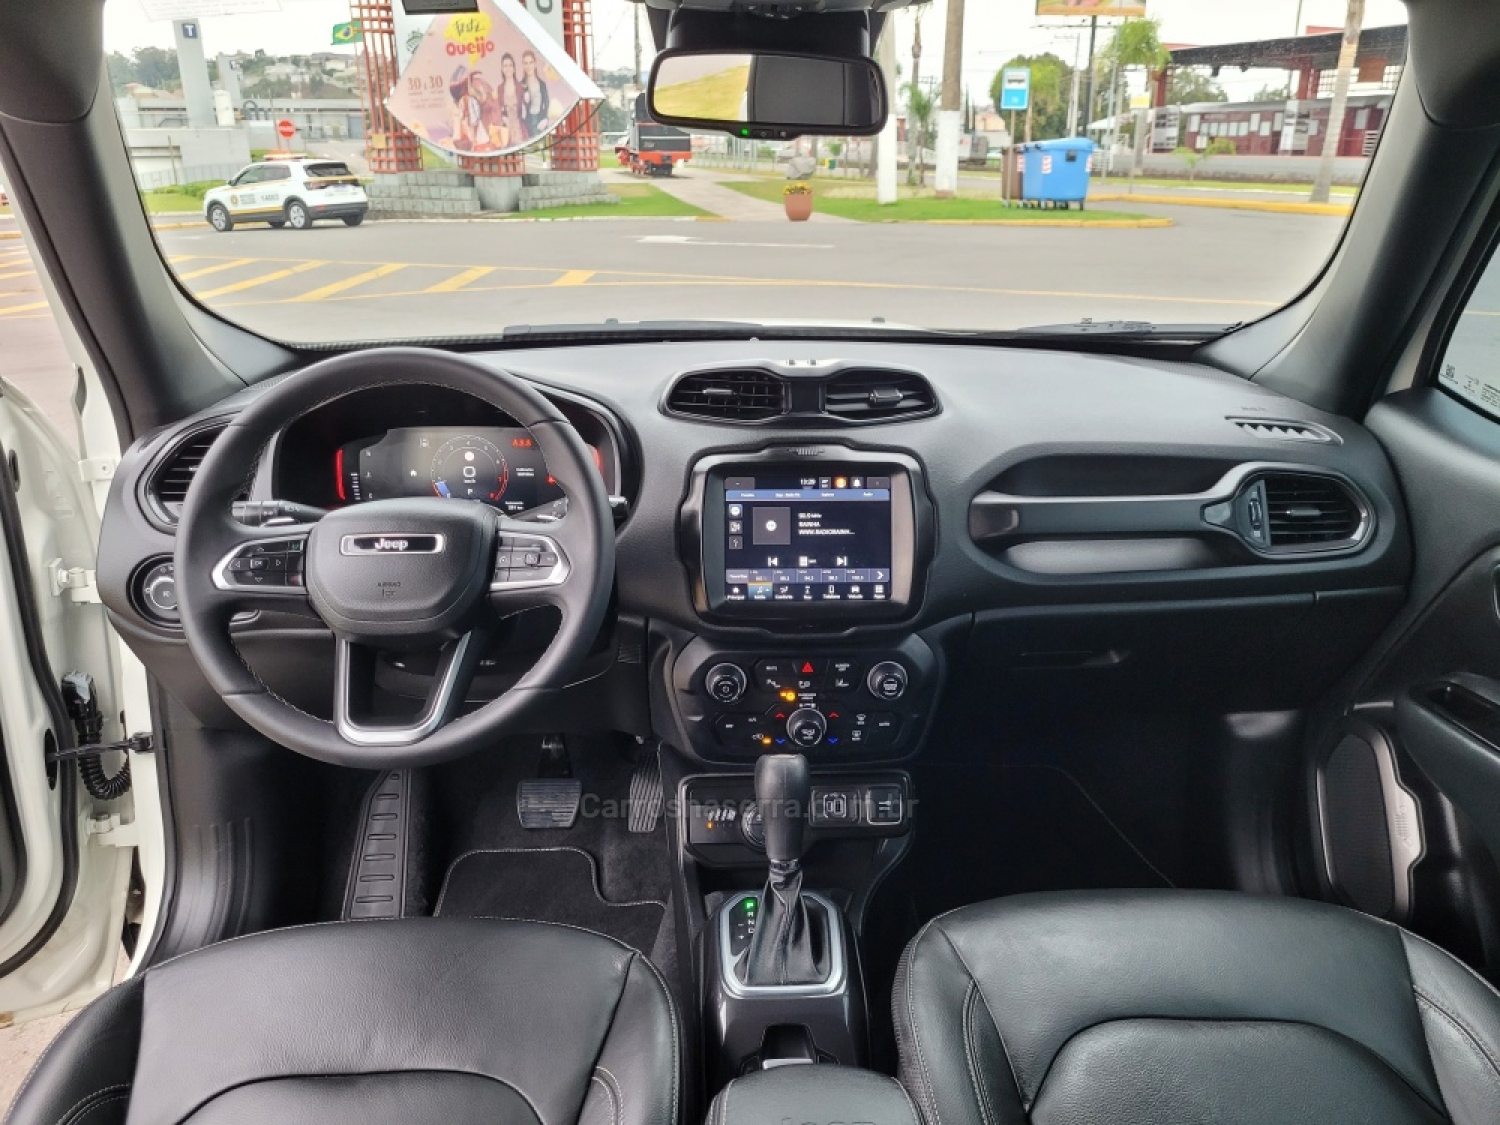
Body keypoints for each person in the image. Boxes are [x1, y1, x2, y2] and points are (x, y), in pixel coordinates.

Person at [498, 53, 529, 147]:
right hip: (506, 131)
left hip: (520, 130)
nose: (508, 68)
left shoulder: (521, 87)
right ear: (502, 69)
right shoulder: (500, 88)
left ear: (514, 68)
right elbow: (499, 110)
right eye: (505, 66)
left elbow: (526, 108)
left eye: (510, 65)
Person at [521, 50, 551, 137]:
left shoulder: (542, 84)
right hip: (528, 123)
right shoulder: (521, 85)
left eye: (531, 62)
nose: (528, 66)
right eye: (525, 63)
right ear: (523, 65)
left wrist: (545, 118)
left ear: (535, 64)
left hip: (540, 120)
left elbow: (546, 102)